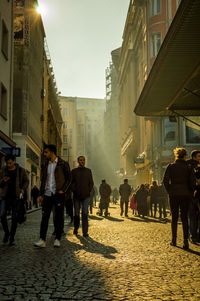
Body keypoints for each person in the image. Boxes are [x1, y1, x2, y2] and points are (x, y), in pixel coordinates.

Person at [34, 144, 71, 248]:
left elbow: (69, 179)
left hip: (58, 194)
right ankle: (42, 240)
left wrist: (63, 190)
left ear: (52, 152)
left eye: (46, 152)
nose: (44, 154)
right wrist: (41, 194)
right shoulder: (45, 164)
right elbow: (43, 180)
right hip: (47, 194)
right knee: (44, 217)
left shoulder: (63, 164)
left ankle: (57, 239)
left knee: (59, 218)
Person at [163, 147, 196, 250]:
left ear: (176, 155)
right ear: (185, 156)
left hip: (174, 194)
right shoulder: (189, 167)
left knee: (174, 217)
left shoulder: (171, 166)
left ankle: (174, 239)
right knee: (184, 218)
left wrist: (170, 191)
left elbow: (165, 181)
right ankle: (185, 241)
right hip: (185, 194)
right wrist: (190, 192)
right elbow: (192, 182)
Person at [0, 154, 29, 245]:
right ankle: (7, 232)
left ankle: (11, 238)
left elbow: (26, 181)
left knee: (14, 218)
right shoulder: (3, 170)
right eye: (7, 163)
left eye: (10, 163)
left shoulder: (20, 170)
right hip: (5, 197)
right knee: (2, 215)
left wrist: (23, 189)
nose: (8, 165)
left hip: (16, 197)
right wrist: (3, 181)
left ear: (14, 161)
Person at [71, 156, 94, 237]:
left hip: (86, 196)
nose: (82, 161)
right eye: (81, 160)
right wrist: (74, 190)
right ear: (78, 161)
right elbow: (71, 183)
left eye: (83, 160)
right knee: (76, 214)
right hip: (76, 196)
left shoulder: (88, 171)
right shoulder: (74, 171)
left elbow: (91, 183)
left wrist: (88, 190)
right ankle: (76, 228)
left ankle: (85, 232)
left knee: (85, 214)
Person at [187, 150, 200, 244]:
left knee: (193, 216)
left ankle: (194, 235)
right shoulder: (190, 167)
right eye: (199, 156)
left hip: (195, 194)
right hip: (192, 194)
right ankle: (193, 235)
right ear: (194, 157)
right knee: (192, 216)